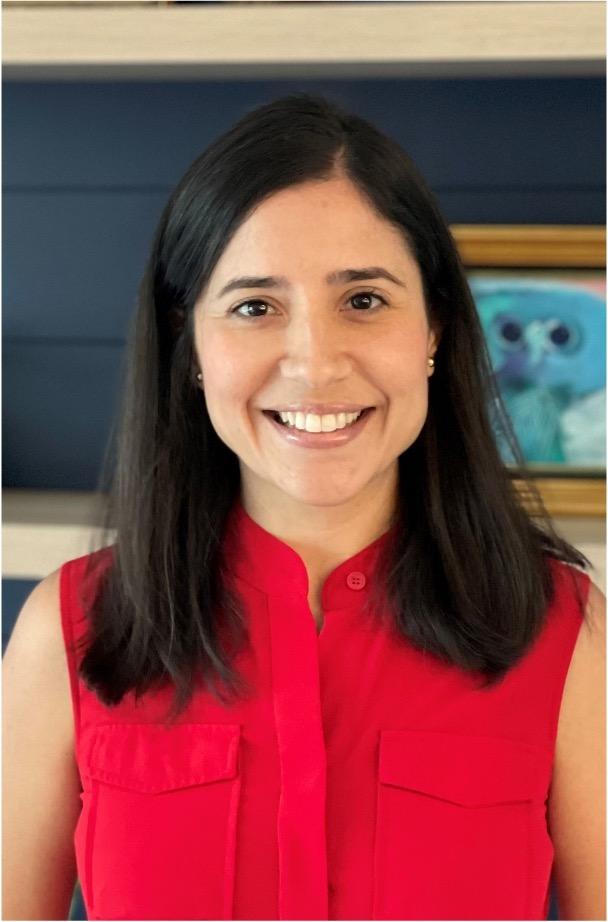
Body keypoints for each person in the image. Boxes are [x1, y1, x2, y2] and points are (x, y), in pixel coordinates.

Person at [3, 93, 605, 921]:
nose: (316, 364)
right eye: (255, 306)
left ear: (433, 328)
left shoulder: (566, 632)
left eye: (363, 300)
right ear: (191, 346)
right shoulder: (67, 631)